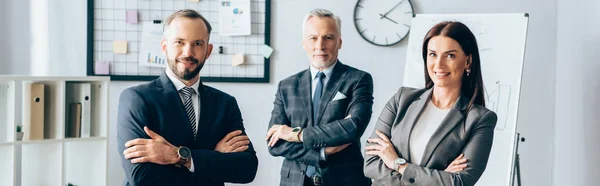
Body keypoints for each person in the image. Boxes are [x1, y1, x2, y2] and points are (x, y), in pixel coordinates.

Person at [117, 9, 258, 186]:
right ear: (164, 46)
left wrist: (178, 156)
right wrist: (214, 157)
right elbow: (142, 177)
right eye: (179, 42)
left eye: (198, 43)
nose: (188, 52)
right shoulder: (137, 99)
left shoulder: (225, 103)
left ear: (208, 50)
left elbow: (247, 169)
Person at [363, 21, 498, 186]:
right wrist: (437, 178)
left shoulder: (480, 119)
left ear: (468, 61)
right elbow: (370, 164)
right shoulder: (402, 99)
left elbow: (459, 182)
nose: (439, 64)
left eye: (450, 55)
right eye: (433, 54)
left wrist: (398, 164)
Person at [265, 8, 374, 186]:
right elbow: (274, 142)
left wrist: (296, 134)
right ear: (304, 43)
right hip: (295, 181)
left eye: (328, 37)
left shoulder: (358, 79)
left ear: (339, 42)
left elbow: (353, 127)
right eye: (313, 38)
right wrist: (322, 153)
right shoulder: (286, 86)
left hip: (344, 180)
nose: (320, 45)